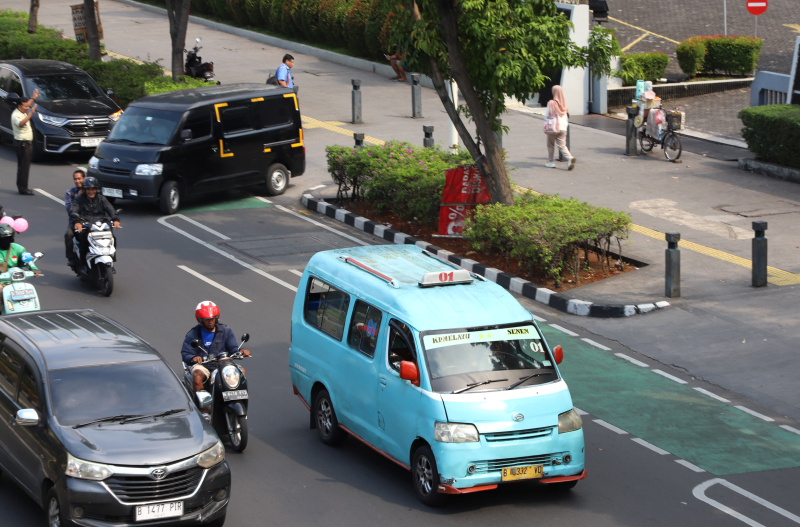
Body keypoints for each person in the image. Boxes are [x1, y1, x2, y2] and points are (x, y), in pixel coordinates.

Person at [180, 301, 251, 402]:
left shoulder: (226, 331)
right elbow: (185, 353)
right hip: (203, 365)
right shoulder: (193, 334)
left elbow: (233, 349)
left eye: (213, 318)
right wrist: (193, 358)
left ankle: (240, 401)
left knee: (241, 372)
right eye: (207, 319)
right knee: (197, 377)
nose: (210, 321)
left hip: (222, 364)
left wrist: (241, 351)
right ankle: (205, 409)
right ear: (200, 320)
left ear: (217, 318)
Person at [69, 177, 120, 265]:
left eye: (93, 189)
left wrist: (115, 219)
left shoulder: (102, 199)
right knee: (83, 242)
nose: (91, 191)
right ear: (85, 190)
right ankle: (83, 264)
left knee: (113, 239)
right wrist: (77, 221)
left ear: (96, 189)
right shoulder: (79, 199)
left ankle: (112, 258)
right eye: (88, 189)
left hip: (102, 225)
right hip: (86, 225)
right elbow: (73, 210)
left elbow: (110, 209)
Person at [9, 89, 40, 195]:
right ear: (19, 106)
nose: (27, 108)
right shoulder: (16, 115)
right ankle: (23, 188)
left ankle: (22, 186)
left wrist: (33, 98)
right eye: (25, 107)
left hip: (26, 143)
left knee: (24, 166)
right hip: (22, 144)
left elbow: (27, 104)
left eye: (28, 107)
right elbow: (22, 123)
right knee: (24, 167)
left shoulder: (23, 109)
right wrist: (31, 113)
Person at [544, 85, 576, 171]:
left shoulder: (551, 103)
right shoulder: (564, 104)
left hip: (553, 128)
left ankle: (550, 162)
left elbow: (547, 115)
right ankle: (569, 158)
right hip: (563, 128)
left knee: (550, 145)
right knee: (562, 145)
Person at [0, 223, 40, 289]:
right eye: (3, 239)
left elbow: (27, 260)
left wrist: (34, 269)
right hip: (1, 283)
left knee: (29, 290)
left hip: (16, 282)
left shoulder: (18, 249)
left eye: (8, 238)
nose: (6, 241)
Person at [64, 169, 85, 268]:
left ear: (84, 179)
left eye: (79, 179)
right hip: (74, 221)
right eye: (75, 179)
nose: (77, 181)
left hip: (90, 221)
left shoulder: (90, 191)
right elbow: (69, 209)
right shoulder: (70, 193)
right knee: (68, 235)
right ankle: (71, 258)